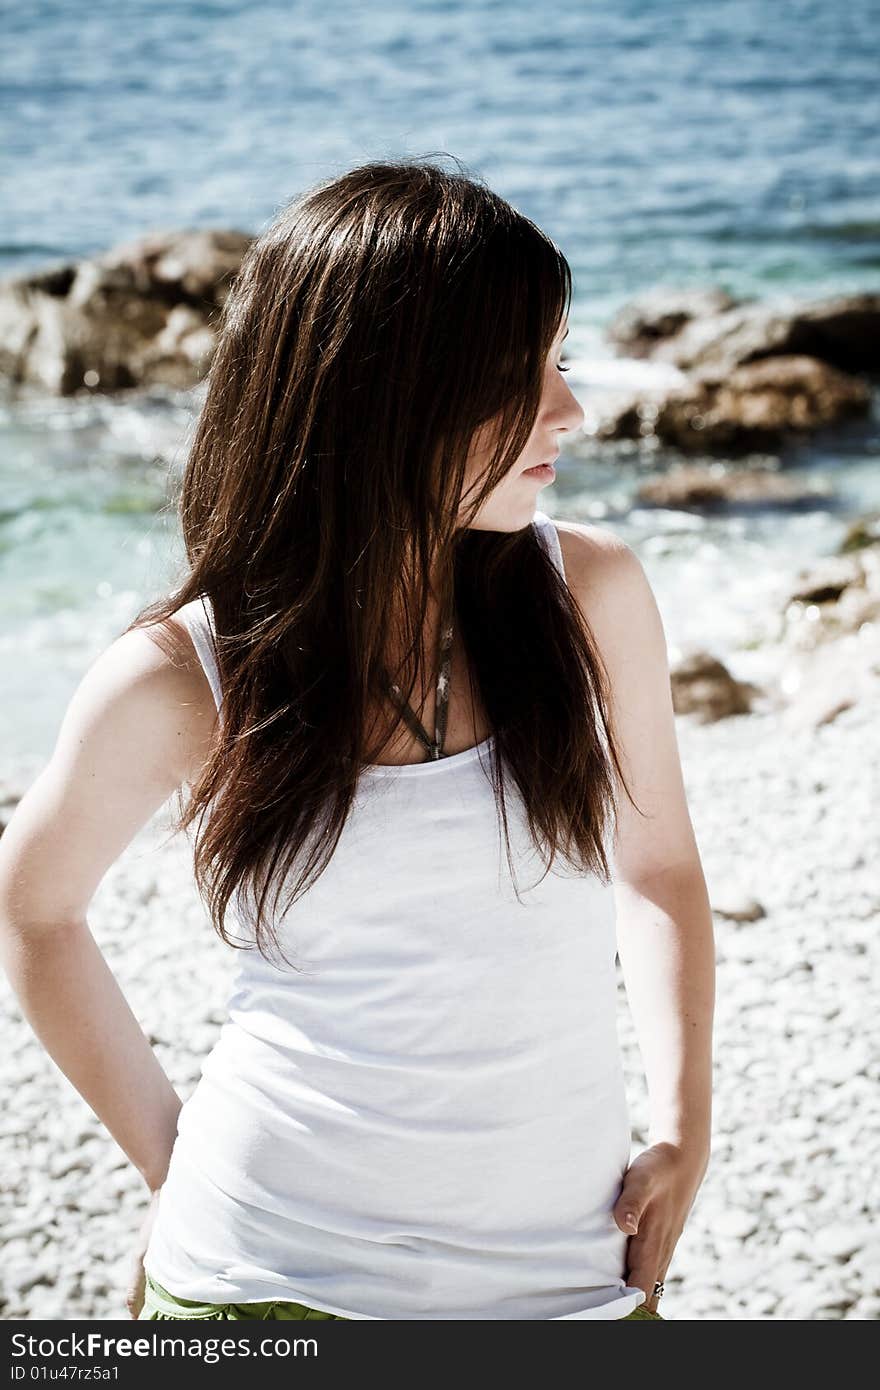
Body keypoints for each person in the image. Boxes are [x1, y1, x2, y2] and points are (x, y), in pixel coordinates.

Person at [0, 157, 714, 1322]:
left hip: (570, 1283)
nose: (572, 410)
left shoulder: (592, 592)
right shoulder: (185, 674)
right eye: (515, 378)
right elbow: (32, 907)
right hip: (267, 1292)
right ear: (380, 398)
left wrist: (684, 1127)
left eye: (561, 361)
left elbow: (660, 867)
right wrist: (173, 1160)